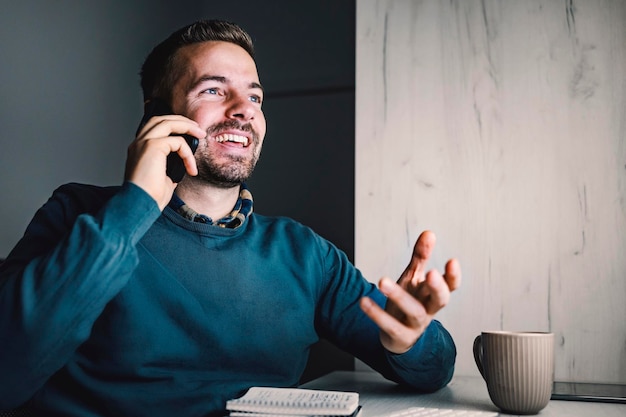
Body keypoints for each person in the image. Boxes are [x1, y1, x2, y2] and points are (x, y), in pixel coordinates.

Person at [0, 20, 461, 417]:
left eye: (255, 97)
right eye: (214, 90)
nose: (244, 110)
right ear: (157, 116)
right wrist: (133, 207)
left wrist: (410, 340)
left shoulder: (304, 254)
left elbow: (435, 368)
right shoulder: (77, 215)